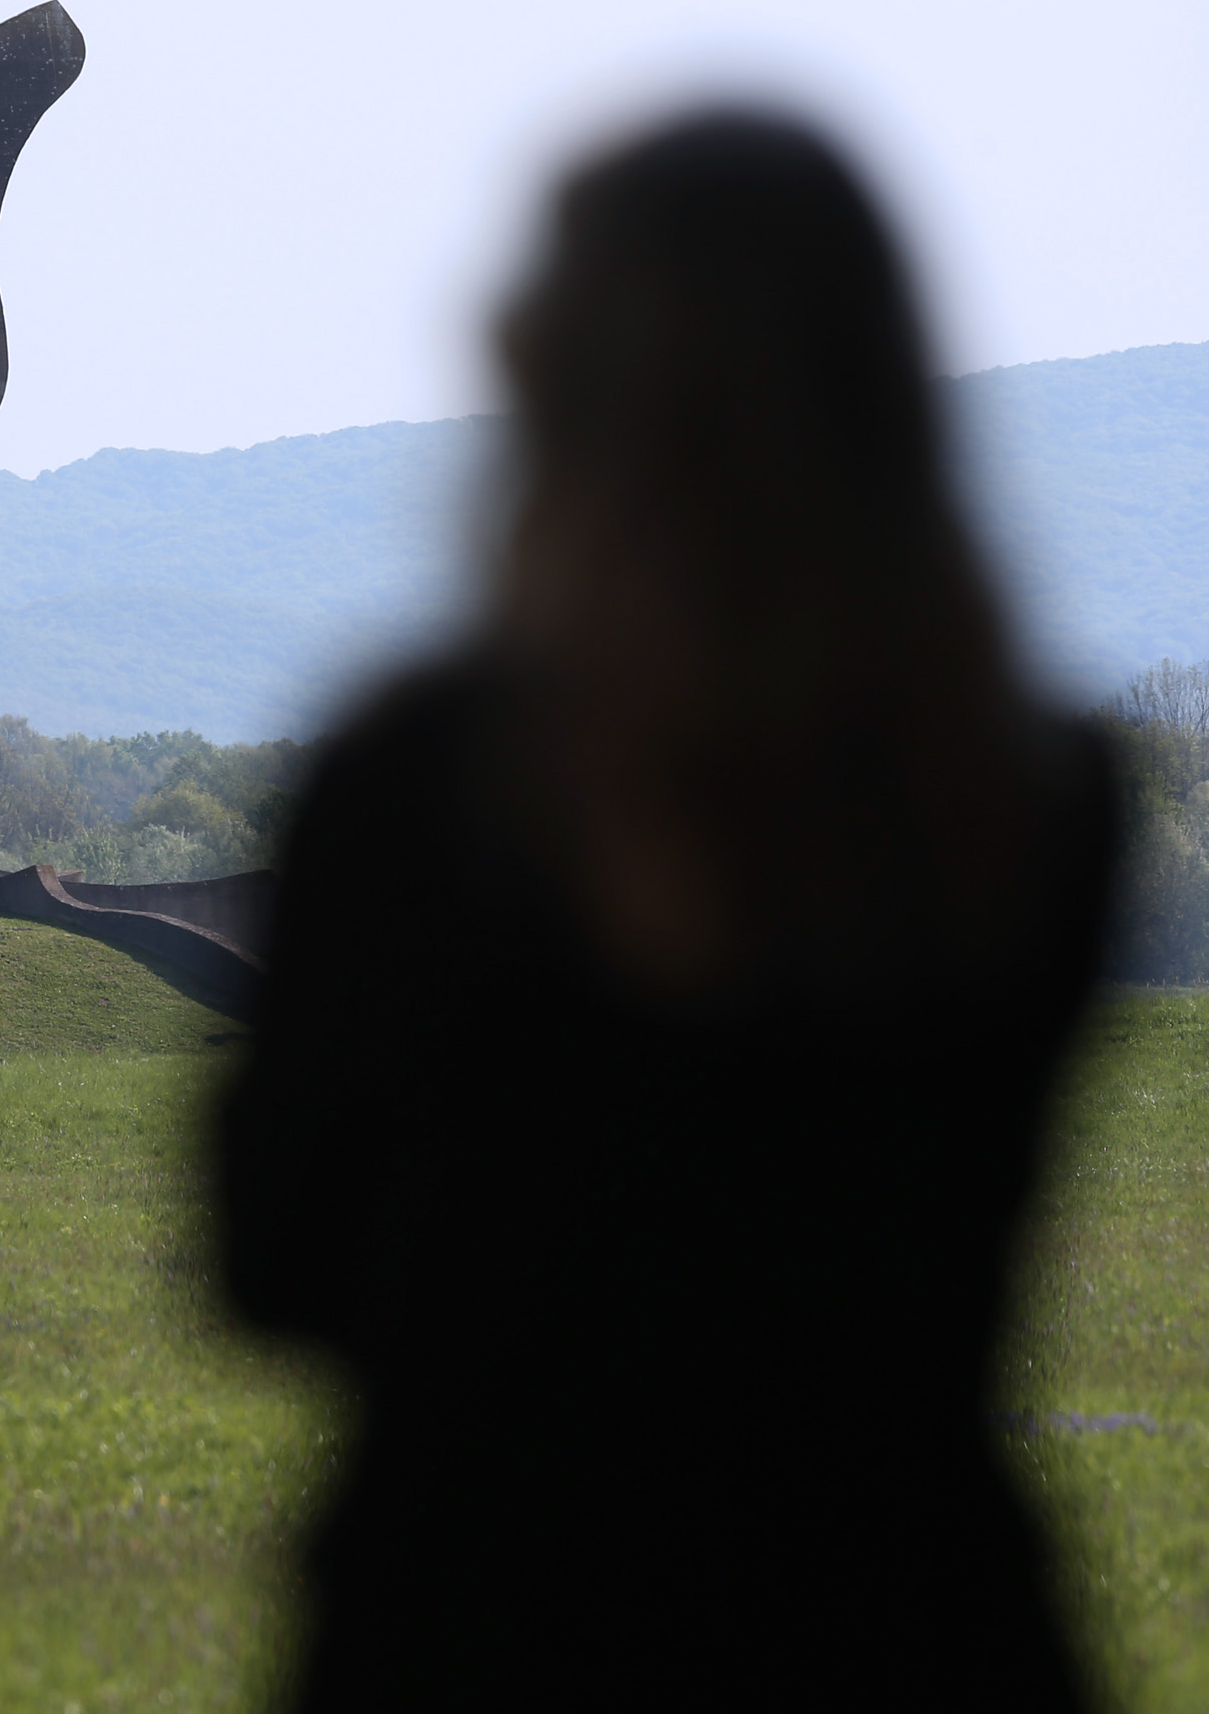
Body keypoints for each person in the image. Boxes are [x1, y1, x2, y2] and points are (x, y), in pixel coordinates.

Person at [209, 112, 1115, 1709]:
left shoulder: (425, 777)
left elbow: (272, 1259)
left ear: (552, 383)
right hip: (909, 1619)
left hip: (474, 1617)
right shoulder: (1033, 798)